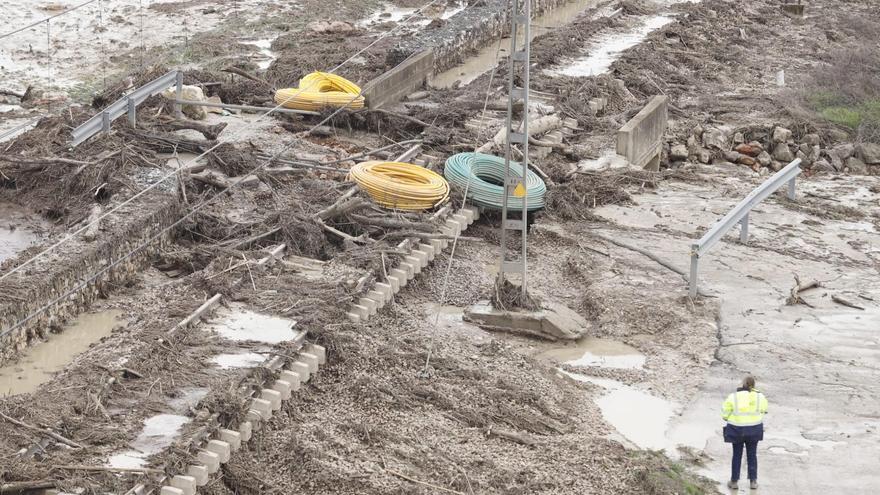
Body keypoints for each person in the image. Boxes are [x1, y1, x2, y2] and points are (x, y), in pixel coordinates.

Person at [722, 376, 768, 490]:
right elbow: (764, 410)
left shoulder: (734, 397)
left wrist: (730, 418)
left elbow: (724, 414)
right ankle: (753, 481)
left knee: (737, 455)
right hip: (754, 429)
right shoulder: (760, 396)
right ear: (754, 385)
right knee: (752, 455)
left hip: (737, 429)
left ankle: (734, 481)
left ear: (743, 384)